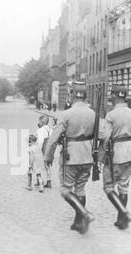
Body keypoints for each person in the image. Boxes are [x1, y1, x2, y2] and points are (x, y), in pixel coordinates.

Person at [44, 81, 95, 235]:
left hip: (70, 157)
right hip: (87, 156)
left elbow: (54, 138)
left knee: (66, 190)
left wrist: (48, 156)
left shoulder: (66, 114)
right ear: (85, 97)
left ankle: (85, 214)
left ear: (73, 95)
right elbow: (104, 135)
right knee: (80, 189)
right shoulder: (93, 114)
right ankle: (78, 222)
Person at [99, 84, 131, 230]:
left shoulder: (111, 115)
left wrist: (101, 157)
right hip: (129, 153)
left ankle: (124, 213)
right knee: (124, 187)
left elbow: (105, 138)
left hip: (114, 155)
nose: (111, 97)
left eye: (112, 95)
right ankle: (121, 220)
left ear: (116, 96)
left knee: (108, 188)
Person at [36, 115, 52, 189]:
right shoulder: (49, 129)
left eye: (39, 121)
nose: (38, 122)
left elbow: (40, 141)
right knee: (47, 165)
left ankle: (39, 181)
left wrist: (37, 150)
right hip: (50, 149)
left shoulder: (41, 130)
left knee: (40, 164)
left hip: (43, 149)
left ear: (42, 121)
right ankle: (49, 182)